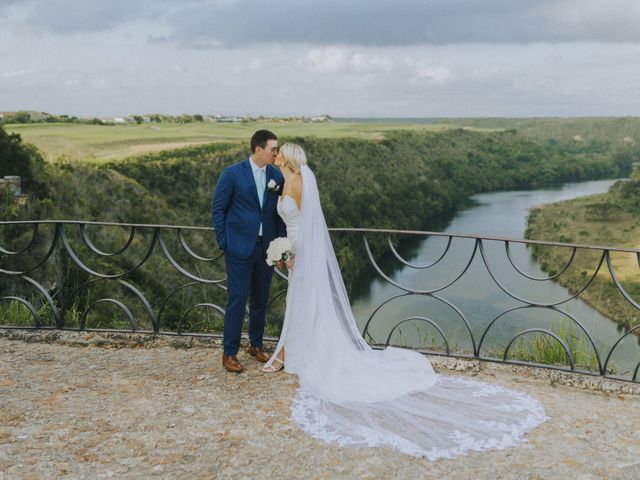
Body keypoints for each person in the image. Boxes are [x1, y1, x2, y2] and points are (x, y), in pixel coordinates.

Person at [262, 143, 548, 460]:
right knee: (299, 304)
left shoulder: (300, 182)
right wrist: (285, 250)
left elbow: (311, 227)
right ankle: (292, 354)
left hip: (304, 253)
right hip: (295, 252)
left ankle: (289, 355)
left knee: (304, 304)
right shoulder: (285, 181)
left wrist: (295, 251)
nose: (274, 156)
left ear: (286, 158)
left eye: (278, 154)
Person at [211, 130, 286, 373]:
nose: (276, 152)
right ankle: (229, 353)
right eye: (273, 148)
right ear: (258, 149)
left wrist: (282, 246)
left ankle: (256, 345)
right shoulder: (232, 173)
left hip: (267, 250)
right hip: (239, 249)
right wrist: (225, 242)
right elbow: (218, 210)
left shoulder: (277, 175)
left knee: (260, 301)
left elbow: (280, 214)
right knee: (237, 299)